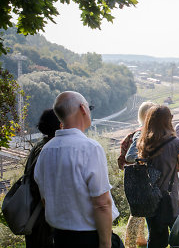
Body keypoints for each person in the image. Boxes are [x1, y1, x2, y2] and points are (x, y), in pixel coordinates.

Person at [34, 91, 120, 248]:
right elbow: (101, 203)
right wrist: (106, 244)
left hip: (60, 237)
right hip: (90, 238)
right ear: (83, 108)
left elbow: (45, 200)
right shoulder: (90, 148)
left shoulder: (45, 151)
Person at [136, 105, 179, 248]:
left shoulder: (144, 143)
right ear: (168, 120)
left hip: (151, 198)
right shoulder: (176, 143)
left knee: (155, 239)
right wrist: (173, 165)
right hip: (171, 198)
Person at [120, 101, 155, 248]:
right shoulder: (142, 132)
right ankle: (130, 244)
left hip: (138, 177)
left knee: (141, 213)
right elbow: (130, 156)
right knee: (137, 214)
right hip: (139, 177)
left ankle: (140, 240)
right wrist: (147, 159)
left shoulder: (145, 131)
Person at [24, 109, 60, 248]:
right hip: (43, 217)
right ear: (60, 125)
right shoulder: (50, 149)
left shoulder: (39, 146)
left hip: (33, 213)